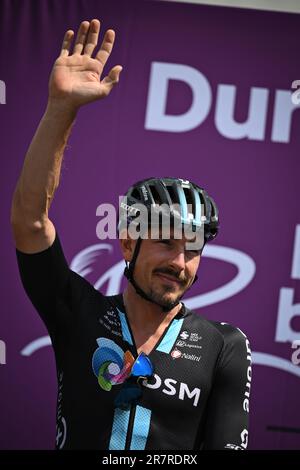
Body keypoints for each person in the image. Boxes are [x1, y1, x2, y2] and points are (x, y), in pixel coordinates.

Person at [11, 19, 252, 450]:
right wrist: (60, 110)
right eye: (166, 242)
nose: (180, 262)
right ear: (128, 242)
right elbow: (29, 221)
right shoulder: (75, 311)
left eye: (193, 248)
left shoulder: (224, 345)